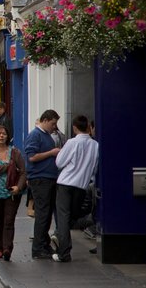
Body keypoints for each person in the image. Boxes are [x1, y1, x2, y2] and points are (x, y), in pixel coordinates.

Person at [53, 115, 99, 263]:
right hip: (82, 185)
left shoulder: (72, 142)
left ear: (74, 127)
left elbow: (59, 162)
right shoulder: (95, 145)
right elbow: (95, 168)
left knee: (64, 218)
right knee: (72, 217)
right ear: (88, 127)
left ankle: (64, 253)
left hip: (66, 183)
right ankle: (93, 220)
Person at [0, 124, 27, 261]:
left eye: (4, 134)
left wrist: (18, 187)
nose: (2, 136)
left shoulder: (15, 152)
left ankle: (7, 248)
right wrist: (8, 167)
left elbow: (23, 171)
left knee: (9, 220)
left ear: (8, 136)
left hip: (11, 192)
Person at [24, 109, 61, 260]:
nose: (54, 127)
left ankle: (44, 244)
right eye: (53, 123)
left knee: (46, 214)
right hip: (40, 179)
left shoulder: (46, 135)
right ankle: (38, 248)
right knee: (42, 214)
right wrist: (51, 153)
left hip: (49, 178)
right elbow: (31, 157)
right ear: (45, 120)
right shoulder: (35, 135)